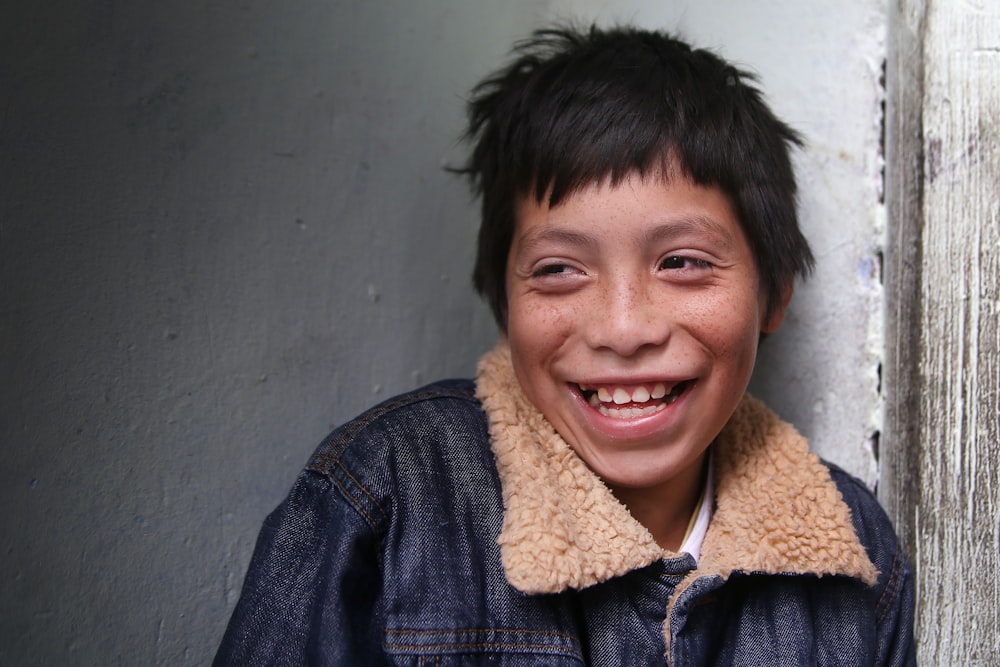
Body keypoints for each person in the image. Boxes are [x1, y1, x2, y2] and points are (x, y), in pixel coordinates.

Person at [215, 25, 915, 665]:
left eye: (682, 261)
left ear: (776, 291)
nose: (622, 328)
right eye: (559, 270)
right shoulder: (389, 494)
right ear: (505, 300)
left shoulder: (854, 553)